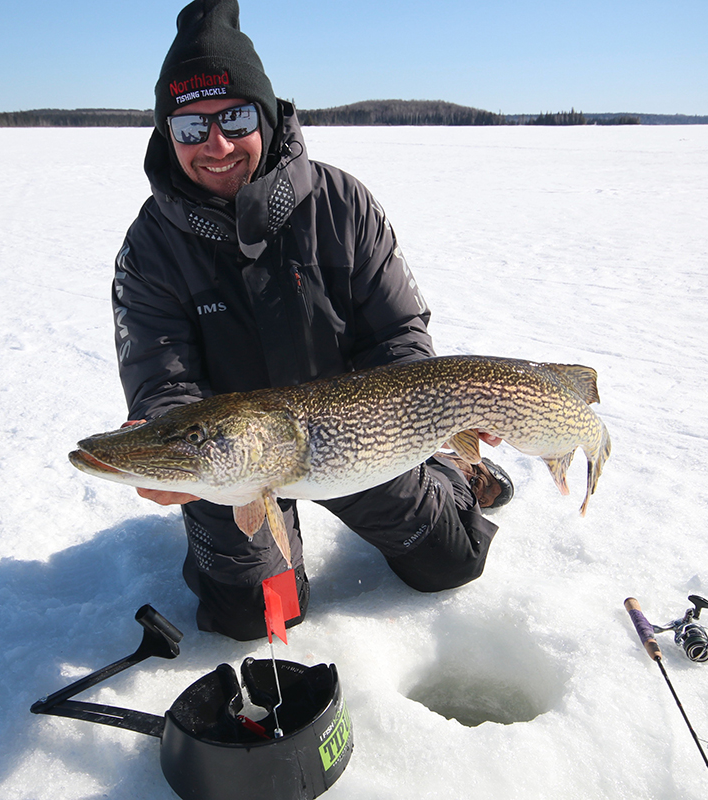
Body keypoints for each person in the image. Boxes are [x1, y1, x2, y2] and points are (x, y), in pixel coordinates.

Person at [110, 0, 513, 641]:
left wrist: (424, 417)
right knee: (256, 616)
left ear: (265, 117)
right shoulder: (151, 248)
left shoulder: (342, 204)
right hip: (236, 461)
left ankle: (456, 477)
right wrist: (167, 445)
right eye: (189, 127)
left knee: (449, 562)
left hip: (353, 442)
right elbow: (164, 381)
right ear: (167, 135)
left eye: (234, 118)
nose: (214, 146)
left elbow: (399, 336)